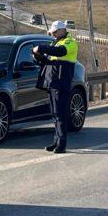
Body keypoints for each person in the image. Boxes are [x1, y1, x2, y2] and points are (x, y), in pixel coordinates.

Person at [32, 20, 79, 153]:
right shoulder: (55, 42)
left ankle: (62, 145)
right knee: (55, 114)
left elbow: (60, 52)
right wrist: (37, 56)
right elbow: (47, 60)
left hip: (61, 82)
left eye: (55, 31)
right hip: (52, 82)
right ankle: (56, 141)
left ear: (63, 30)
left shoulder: (69, 42)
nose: (53, 34)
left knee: (60, 114)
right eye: (52, 32)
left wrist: (41, 48)